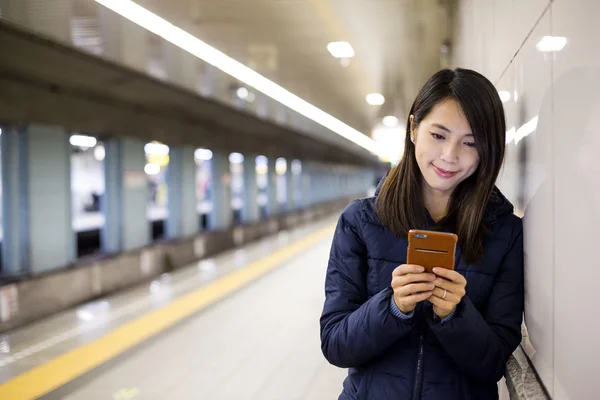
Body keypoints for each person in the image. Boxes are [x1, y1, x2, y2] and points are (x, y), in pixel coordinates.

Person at [320, 68, 524, 399]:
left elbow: (495, 363)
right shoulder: (359, 222)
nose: (450, 156)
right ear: (414, 128)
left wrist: (454, 316)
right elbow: (335, 344)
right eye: (439, 135)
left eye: (470, 143)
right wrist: (393, 306)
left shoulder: (506, 233)